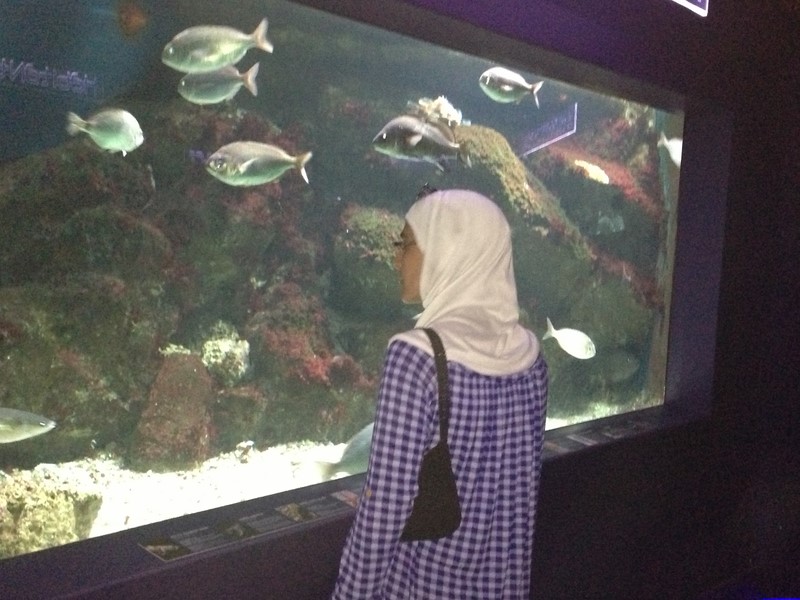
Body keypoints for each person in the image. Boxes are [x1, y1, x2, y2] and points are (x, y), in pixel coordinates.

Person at [330, 188, 548, 599]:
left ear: (448, 249)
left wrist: (350, 594)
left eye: (407, 244)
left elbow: (386, 506)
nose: (396, 258)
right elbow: (519, 499)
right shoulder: (530, 357)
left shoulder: (415, 357)